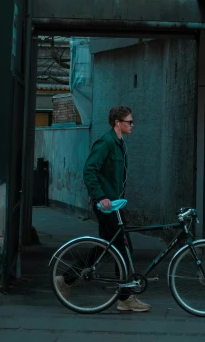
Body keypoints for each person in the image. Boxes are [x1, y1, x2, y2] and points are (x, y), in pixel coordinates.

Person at [56, 105, 151, 313]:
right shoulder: (106, 143)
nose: (132, 125)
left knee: (106, 249)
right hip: (106, 206)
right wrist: (101, 196)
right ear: (118, 123)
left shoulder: (119, 144)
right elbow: (89, 170)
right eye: (129, 121)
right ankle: (125, 297)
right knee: (124, 249)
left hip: (114, 205)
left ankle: (66, 279)